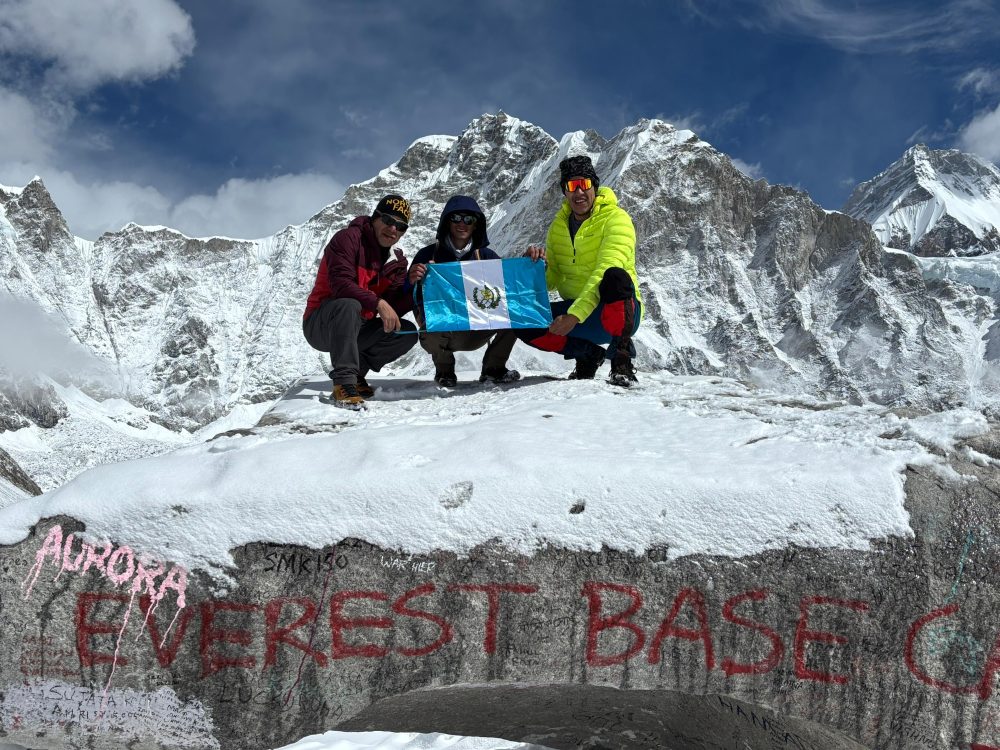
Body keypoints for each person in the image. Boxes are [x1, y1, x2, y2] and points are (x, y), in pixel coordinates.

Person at [521, 155, 642, 387]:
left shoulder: (617, 219)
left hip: (618, 313)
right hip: (579, 315)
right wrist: (534, 269)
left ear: (594, 187)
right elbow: (554, 277)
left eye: (584, 184)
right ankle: (586, 354)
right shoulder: (558, 227)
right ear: (564, 192)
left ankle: (622, 361)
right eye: (571, 186)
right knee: (523, 320)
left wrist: (574, 317)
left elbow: (607, 267)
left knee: (615, 276)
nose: (579, 192)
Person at [303, 194, 417, 409]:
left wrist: (412, 285)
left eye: (401, 226)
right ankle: (343, 384)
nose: (393, 229)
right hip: (321, 323)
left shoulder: (397, 261)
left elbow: (393, 309)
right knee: (349, 303)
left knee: (406, 332)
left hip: (358, 327)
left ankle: (356, 376)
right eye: (388, 220)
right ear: (375, 218)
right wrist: (379, 303)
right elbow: (341, 285)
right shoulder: (348, 239)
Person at [406, 195, 520, 387]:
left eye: (469, 219)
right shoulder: (427, 255)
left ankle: (494, 369)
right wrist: (413, 280)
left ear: (476, 225)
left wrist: (530, 264)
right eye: (456, 218)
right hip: (443, 331)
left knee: (517, 313)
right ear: (447, 222)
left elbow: (507, 287)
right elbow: (408, 293)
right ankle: (444, 372)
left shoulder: (485, 256)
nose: (462, 224)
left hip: (479, 328)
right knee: (431, 327)